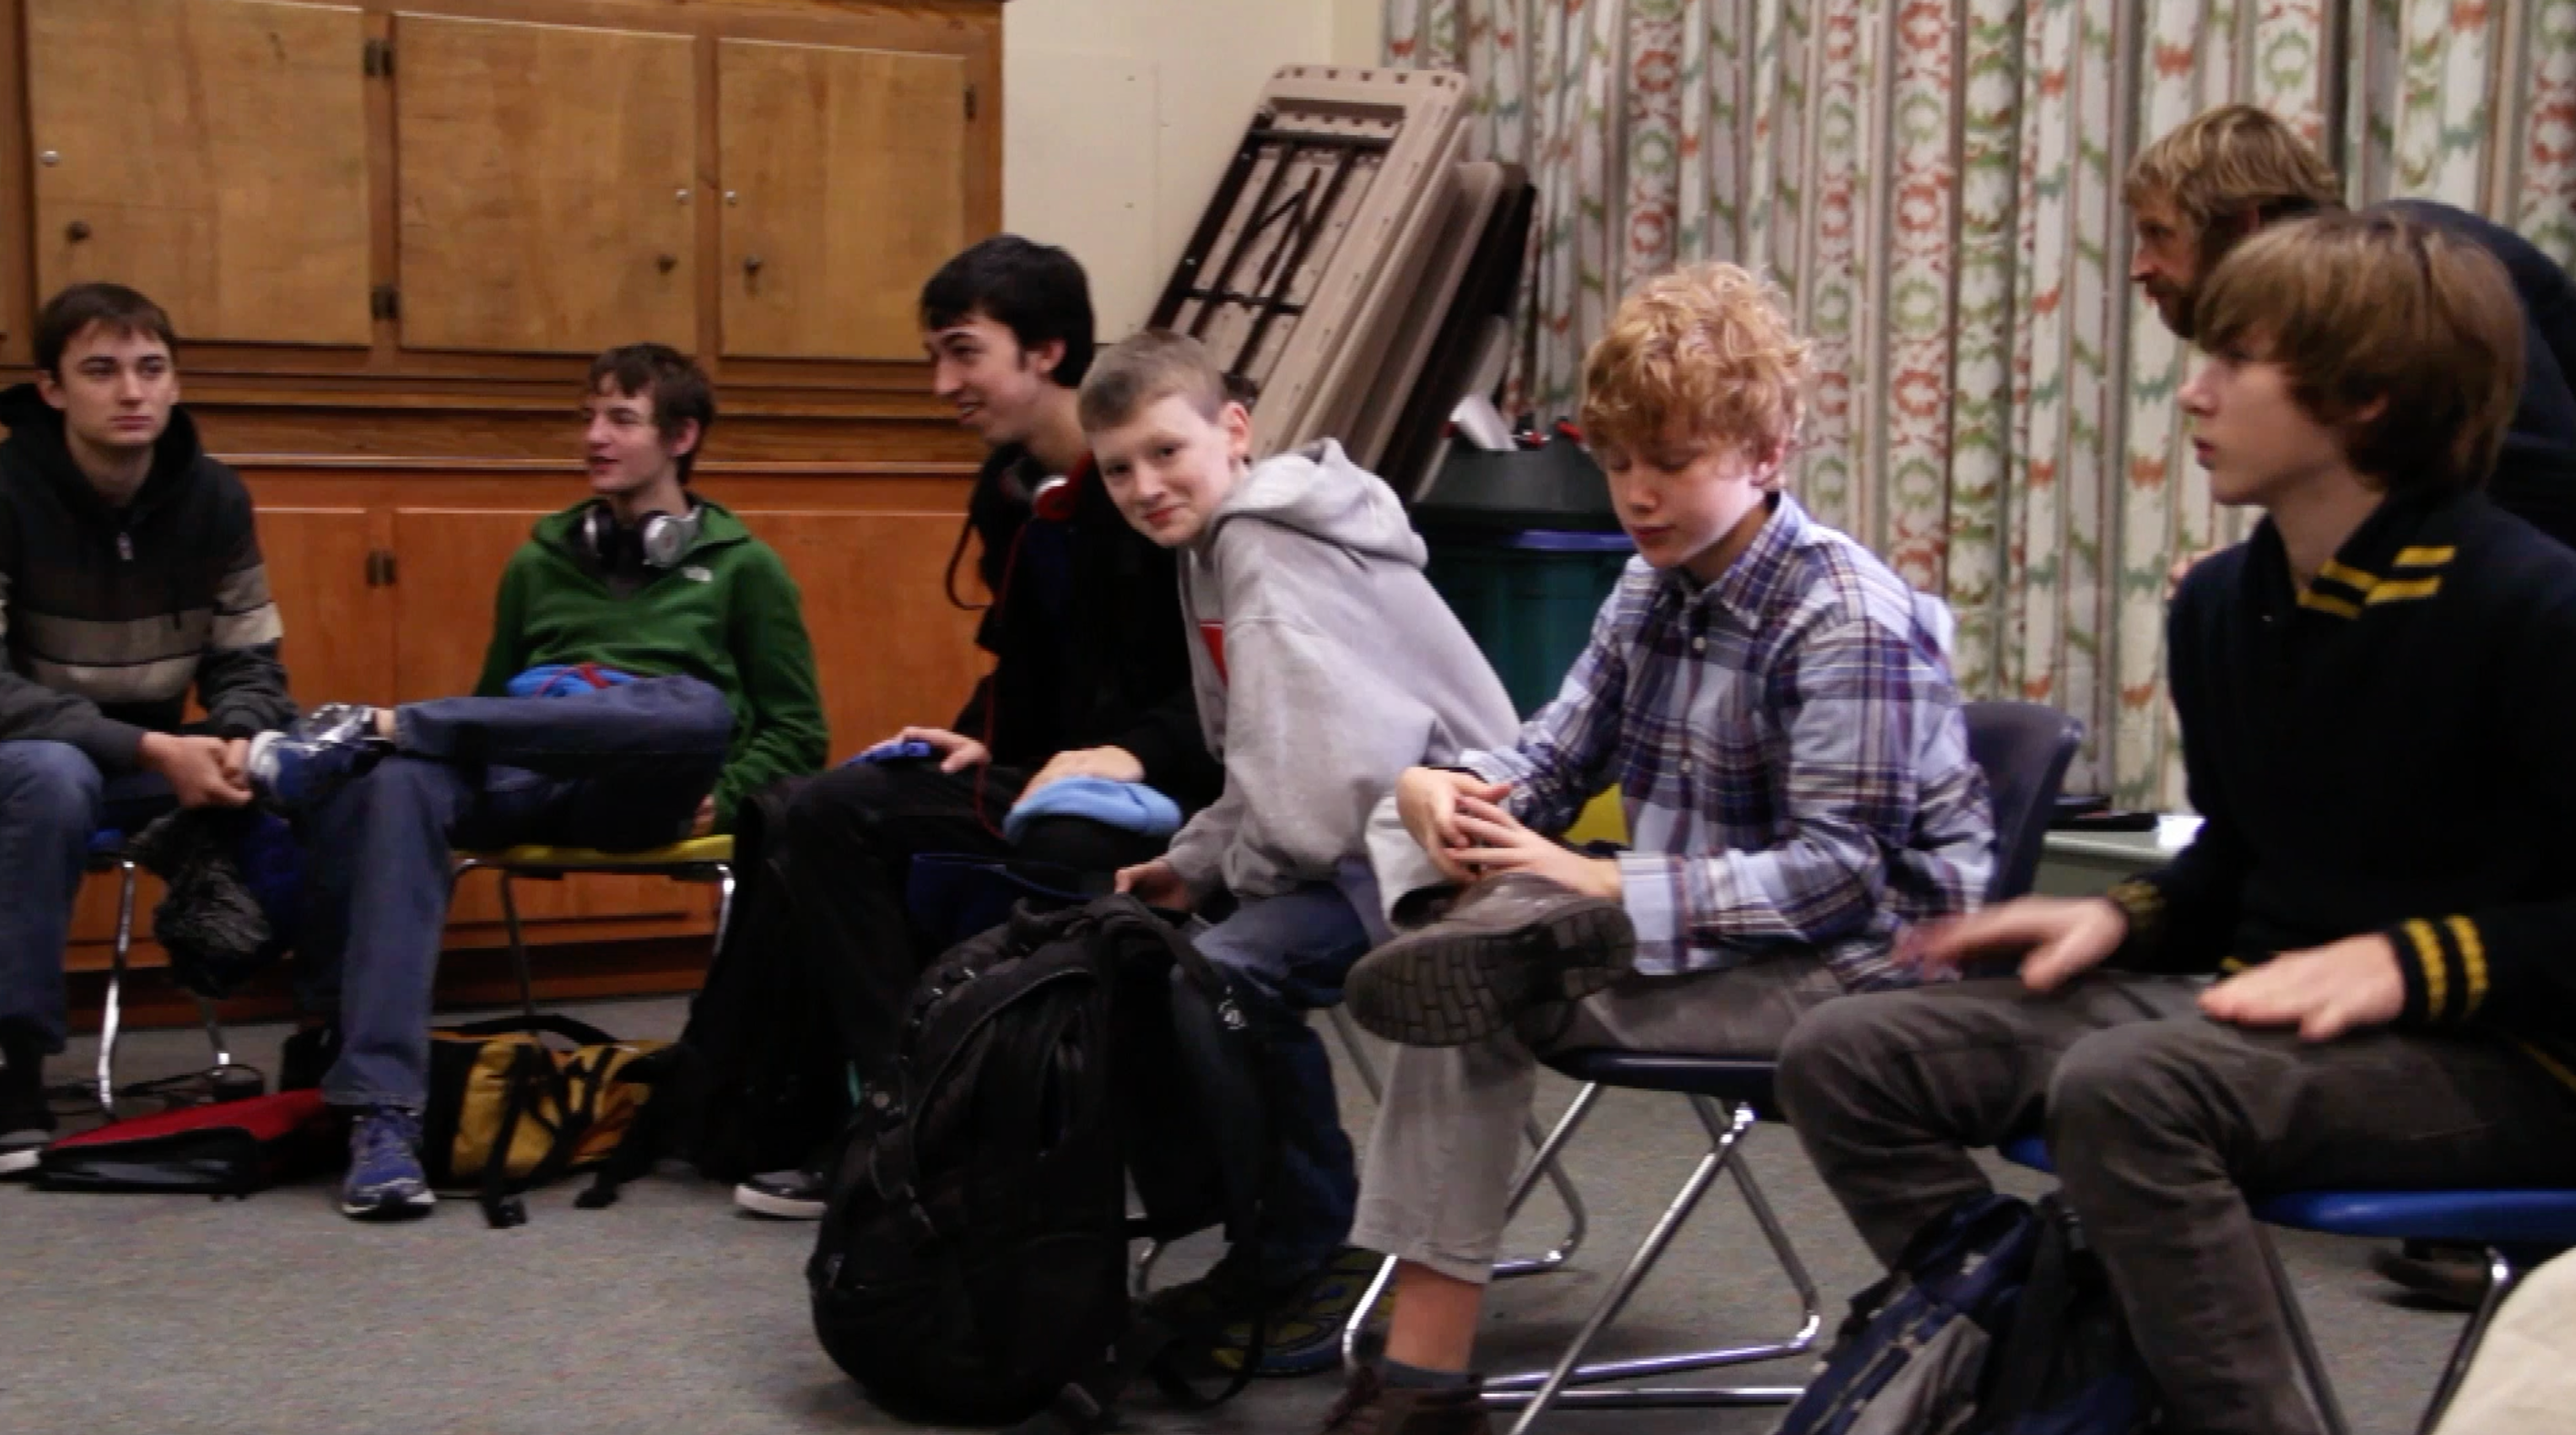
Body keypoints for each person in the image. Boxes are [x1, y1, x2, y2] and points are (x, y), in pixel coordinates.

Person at [1777, 210, 2576, 1435]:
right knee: (1847, 1049)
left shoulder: (2531, 603)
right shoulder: (2224, 605)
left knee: (2130, 1089)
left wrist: (2408, 961)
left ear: (2363, 396)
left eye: (2234, 362)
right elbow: (2243, 858)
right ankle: (2049, 1348)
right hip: (2267, 1022)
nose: (2192, 394)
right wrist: (2118, 917)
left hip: (2512, 1063)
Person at [1318, 262, 1995, 1431]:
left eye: (1671, 462)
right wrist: (1451, 791)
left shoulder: (1845, 617)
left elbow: (1838, 881)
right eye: (1617, 460)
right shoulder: (1649, 584)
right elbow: (1549, 760)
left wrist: (1596, 880)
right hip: (1694, 927)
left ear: (1766, 453)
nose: (1635, 494)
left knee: (1477, 986)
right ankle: (1484, 922)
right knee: (1410, 825)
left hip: (1854, 966)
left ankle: (1424, 1382)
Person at [253, 342, 826, 1219]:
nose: (594, 436)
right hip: (524, 771)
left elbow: (799, 731)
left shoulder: (747, 569)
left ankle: (378, 726)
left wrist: (735, 779)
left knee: (695, 709)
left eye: (621, 419)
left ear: (681, 437)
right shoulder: (539, 561)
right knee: (401, 786)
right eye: (588, 416)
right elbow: (492, 708)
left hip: (647, 786)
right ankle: (383, 1117)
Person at [725, 237, 1222, 1221]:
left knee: (1062, 841)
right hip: (1049, 770)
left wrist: (1132, 751)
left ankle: (1023, 1130)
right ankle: (908, 1118)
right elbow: (1027, 666)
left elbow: (1229, 686)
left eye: (963, 353)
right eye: (934, 358)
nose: (943, 384)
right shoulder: (1010, 494)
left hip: (1175, 786)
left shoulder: (1165, 490)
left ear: (1046, 351)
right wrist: (974, 739)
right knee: (822, 809)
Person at [1077, 331, 1522, 1373]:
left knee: (1227, 972)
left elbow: (1321, 794)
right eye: (1117, 469)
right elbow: (1263, 761)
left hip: (1452, 854)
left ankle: (1312, 1252)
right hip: (1367, 840)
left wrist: (1238, 882)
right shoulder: (1211, 546)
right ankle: (1255, 1221)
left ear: (1233, 429)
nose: (1144, 487)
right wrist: (1196, 861)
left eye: (1165, 451)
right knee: (1149, 945)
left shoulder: (1264, 542)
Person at [0, 282, 296, 1173]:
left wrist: (235, 737)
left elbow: (250, 659)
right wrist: (150, 749)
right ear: (52, 389)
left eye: (150, 368)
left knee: (323, 757)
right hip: (32, 756)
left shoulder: (215, 498)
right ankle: (14, 1065)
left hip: (152, 761)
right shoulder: (7, 493)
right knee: (51, 776)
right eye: (100, 370)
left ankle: (340, 1045)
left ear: (175, 382)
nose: (131, 391)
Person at [2129, 102, 2576, 552]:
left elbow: (2540, 483)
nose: (2139, 268)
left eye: (2158, 234)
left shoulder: (2399, 278)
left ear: (2244, 224)